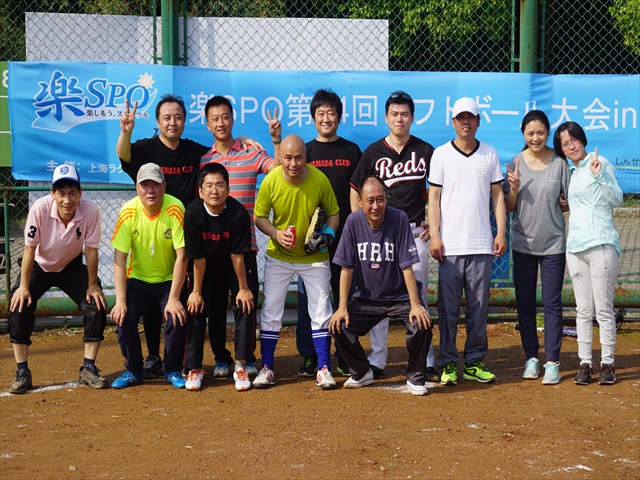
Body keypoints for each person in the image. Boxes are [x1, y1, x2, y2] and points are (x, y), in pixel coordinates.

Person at [116, 94, 264, 379]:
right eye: (167, 118)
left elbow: (220, 150)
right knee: (155, 294)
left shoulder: (196, 152)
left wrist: (242, 139)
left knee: (186, 299)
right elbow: (124, 155)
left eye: (178, 117)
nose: (172, 122)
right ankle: (153, 356)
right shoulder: (146, 148)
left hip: (192, 236)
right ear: (158, 121)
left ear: (185, 121)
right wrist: (126, 132)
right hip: (161, 231)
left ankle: (204, 360)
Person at [349, 91, 438, 382]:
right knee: (377, 298)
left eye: (405, 114)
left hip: (414, 232)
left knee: (418, 296)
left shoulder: (424, 150)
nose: (399, 119)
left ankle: (425, 360)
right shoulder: (373, 152)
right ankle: (377, 359)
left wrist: (435, 223)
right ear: (386, 118)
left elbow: (439, 190)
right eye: (394, 114)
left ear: (412, 118)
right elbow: (355, 189)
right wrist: (360, 227)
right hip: (379, 235)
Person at [199, 95, 281, 378]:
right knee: (215, 307)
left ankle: (245, 358)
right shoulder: (204, 160)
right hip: (211, 248)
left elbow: (277, 170)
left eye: (225, 117)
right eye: (215, 119)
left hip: (244, 246)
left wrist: (275, 140)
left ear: (233, 120)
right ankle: (221, 358)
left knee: (245, 302)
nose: (221, 123)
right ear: (207, 124)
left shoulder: (251, 152)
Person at [7, 164, 108, 394]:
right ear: (52, 193)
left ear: (80, 193)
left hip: (71, 266)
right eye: (61, 193)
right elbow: (29, 249)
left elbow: (91, 250)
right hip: (40, 265)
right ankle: (22, 372)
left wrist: (93, 284)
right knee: (19, 305)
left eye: (72, 193)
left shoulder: (90, 210)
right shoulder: (40, 209)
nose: (67, 200)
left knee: (96, 304)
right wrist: (23, 287)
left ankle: (88, 368)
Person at [428, 97, 506, 386]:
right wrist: (435, 235)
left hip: (481, 245)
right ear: (453, 121)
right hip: (449, 247)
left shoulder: (490, 153)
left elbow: (498, 196)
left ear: (478, 121)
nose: (465, 122)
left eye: (470, 117)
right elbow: (434, 199)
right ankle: (448, 362)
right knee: (448, 309)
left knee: (478, 309)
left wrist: (500, 233)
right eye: (460, 117)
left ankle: (473, 362)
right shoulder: (440, 155)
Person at [329, 176, 432, 396]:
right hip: (368, 298)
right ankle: (362, 372)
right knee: (338, 324)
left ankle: (415, 377)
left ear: (386, 199)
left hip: (400, 297)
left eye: (380, 199)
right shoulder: (353, 222)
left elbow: (407, 265)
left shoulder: (399, 218)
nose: (376, 206)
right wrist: (342, 307)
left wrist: (415, 304)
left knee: (421, 323)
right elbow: (346, 267)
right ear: (360, 201)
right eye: (370, 200)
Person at [253, 134, 339, 390]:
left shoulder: (319, 179)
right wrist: (276, 233)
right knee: (271, 310)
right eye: (288, 157)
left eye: (299, 157)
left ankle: (323, 368)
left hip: (314, 257)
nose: (293, 163)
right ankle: (267, 367)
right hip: (279, 256)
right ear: (280, 157)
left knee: (321, 310)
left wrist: (328, 234)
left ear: (306, 157)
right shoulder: (271, 180)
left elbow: (334, 213)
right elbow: (259, 217)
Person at [293, 89, 362, 378]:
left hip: (344, 237)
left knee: (346, 297)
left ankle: (345, 354)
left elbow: (358, 192)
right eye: (320, 113)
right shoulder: (305, 152)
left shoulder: (351, 151)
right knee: (309, 299)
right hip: (312, 241)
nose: (326, 118)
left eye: (331, 113)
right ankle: (310, 355)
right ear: (313, 118)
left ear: (339, 117)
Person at [553, 121, 623, 385]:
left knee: (603, 309)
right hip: (575, 248)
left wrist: (599, 175)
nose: (571, 146)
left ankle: (608, 364)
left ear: (582, 139)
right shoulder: (571, 172)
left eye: (574, 140)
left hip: (601, 244)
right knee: (582, 310)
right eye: (565, 144)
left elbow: (616, 198)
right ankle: (585, 363)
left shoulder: (599, 163)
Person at [504, 110, 570, 385]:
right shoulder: (515, 162)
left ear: (547, 133)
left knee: (553, 304)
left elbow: (568, 202)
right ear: (523, 134)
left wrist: (565, 204)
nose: (535, 138)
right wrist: (514, 188)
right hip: (523, 245)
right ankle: (531, 357)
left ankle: (552, 361)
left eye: (540, 132)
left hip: (554, 245)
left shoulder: (560, 164)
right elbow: (509, 207)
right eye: (530, 133)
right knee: (525, 303)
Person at [110, 163, 188, 389]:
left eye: (155, 184)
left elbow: (182, 256)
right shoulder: (128, 211)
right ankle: (133, 370)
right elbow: (119, 259)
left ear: (164, 186)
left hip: (169, 279)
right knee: (123, 319)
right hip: (138, 280)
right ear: (137, 188)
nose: (150, 190)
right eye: (145, 185)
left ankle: (172, 369)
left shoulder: (175, 208)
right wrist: (120, 301)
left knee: (176, 316)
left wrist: (174, 298)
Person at [183, 163, 254, 392]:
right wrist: (196, 291)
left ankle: (241, 365)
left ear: (228, 189)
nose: (215, 191)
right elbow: (198, 259)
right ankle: (195, 367)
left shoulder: (238, 213)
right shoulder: (193, 213)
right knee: (196, 307)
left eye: (220, 185)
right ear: (200, 190)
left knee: (245, 303)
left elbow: (238, 256)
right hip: (205, 267)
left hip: (233, 266)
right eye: (209, 186)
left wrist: (242, 288)